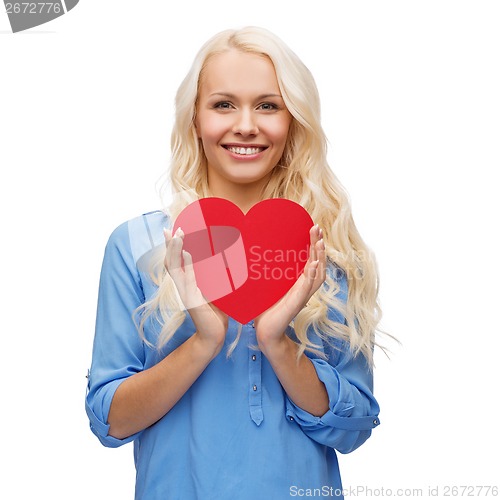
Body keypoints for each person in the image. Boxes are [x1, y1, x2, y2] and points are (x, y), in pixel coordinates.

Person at [85, 26, 382, 500]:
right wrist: (205, 340)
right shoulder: (136, 244)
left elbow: (354, 428)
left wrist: (276, 342)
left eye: (268, 105)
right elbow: (109, 421)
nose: (246, 124)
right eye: (223, 104)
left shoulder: (329, 249)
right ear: (195, 121)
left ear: (294, 121)